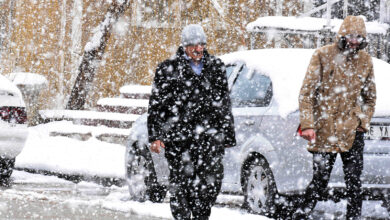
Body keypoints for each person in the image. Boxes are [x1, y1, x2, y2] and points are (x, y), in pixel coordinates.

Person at [147, 24, 236, 220]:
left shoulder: (216, 66)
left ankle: (201, 215)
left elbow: (224, 102)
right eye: (193, 45)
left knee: (211, 183)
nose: (198, 49)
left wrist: (227, 134)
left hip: (209, 138)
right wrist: (155, 135)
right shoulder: (167, 69)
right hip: (179, 139)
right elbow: (156, 104)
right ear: (185, 46)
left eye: (202, 44)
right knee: (181, 185)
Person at [293, 16, 376, 220]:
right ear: (342, 35)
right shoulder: (323, 55)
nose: (354, 40)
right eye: (350, 36)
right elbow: (306, 94)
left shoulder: (365, 61)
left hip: (352, 131)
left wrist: (362, 122)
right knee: (320, 181)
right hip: (324, 130)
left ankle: (353, 217)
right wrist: (308, 125)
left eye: (358, 36)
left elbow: (370, 97)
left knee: (354, 182)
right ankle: (300, 216)